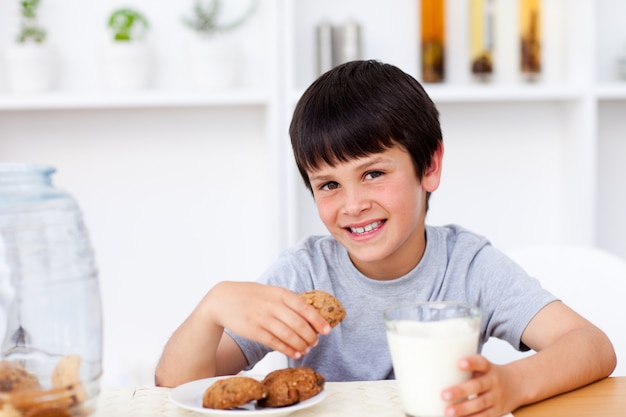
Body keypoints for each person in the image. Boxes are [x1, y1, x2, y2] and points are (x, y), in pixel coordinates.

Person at [155, 60, 616, 417]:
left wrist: (512, 385)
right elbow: (176, 385)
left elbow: (591, 346)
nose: (352, 204)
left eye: (373, 173)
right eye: (329, 184)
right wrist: (210, 309)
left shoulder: (469, 266)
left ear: (429, 167)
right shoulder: (304, 273)